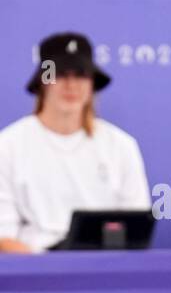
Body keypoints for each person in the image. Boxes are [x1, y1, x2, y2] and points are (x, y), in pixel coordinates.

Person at [0, 33, 150, 253]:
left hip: (104, 272)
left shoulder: (121, 146)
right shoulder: (8, 146)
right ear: (44, 81)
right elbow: (4, 236)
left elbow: (136, 230)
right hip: (35, 274)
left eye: (80, 75)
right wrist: (50, 269)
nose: (70, 85)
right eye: (59, 74)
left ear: (92, 83)